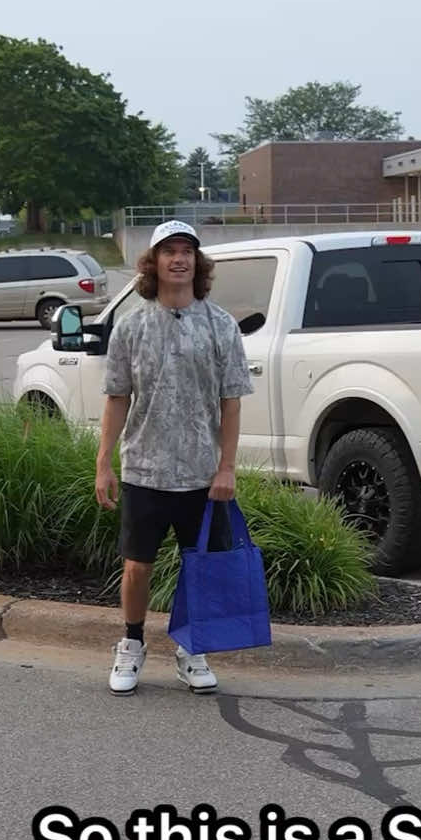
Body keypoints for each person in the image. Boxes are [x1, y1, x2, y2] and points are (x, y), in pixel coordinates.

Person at [94, 220, 253, 695]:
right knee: (137, 565)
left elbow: (231, 401)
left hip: (202, 474)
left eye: (187, 251)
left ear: (197, 263)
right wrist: (104, 463)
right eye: (169, 251)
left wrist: (226, 467)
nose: (179, 259)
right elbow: (117, 397)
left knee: (199, 568)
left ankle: (192, 649)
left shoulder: (220, 324)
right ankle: (132, 644)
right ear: (154, 263)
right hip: (145, 468)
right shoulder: (132, 325)